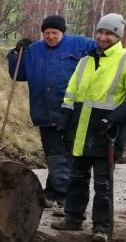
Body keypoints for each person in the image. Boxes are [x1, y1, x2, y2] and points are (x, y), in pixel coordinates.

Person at [51, 13, 126, 242]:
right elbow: (71, 92)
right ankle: (73, 217)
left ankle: (101, 227)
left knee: (103, 183)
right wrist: (65, 118)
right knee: (76, 177)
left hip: (107, 133)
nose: (103, 37)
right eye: (101, 32)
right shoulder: (85, 61)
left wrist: (113, 119)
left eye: (109, 33)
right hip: (82, 131)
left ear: (118, 36)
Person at [7, 15, 96, 213]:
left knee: (66, 155)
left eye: (54, 33)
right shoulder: (34, 50)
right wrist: (16, 52)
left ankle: (63, 197)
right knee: (55, 155)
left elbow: (104, 54)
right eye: (46, 33)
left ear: (62, 32)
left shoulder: (81, 44)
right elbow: (17, 74)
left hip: (73, 111)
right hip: (45, 112)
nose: (50, 36)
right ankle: (56, 193)